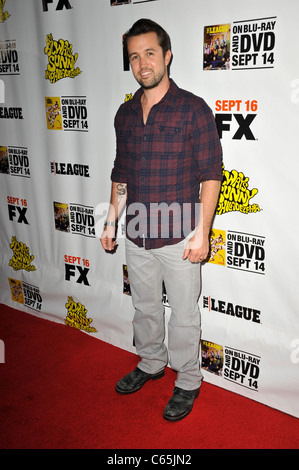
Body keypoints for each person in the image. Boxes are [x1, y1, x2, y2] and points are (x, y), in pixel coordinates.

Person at [100, 19, 223, 421]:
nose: (142, 63)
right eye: (134, 56)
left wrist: (201, 234)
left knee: (184, 317)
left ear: (167, 56)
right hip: (136, 233)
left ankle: (188, 379)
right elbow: (121, 173)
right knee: (145, 307)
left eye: (150, 53)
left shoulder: (194, 109)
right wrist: (111, 221)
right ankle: (151, 362)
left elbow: (210, 176)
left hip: (179, 236)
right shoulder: (124, 114)